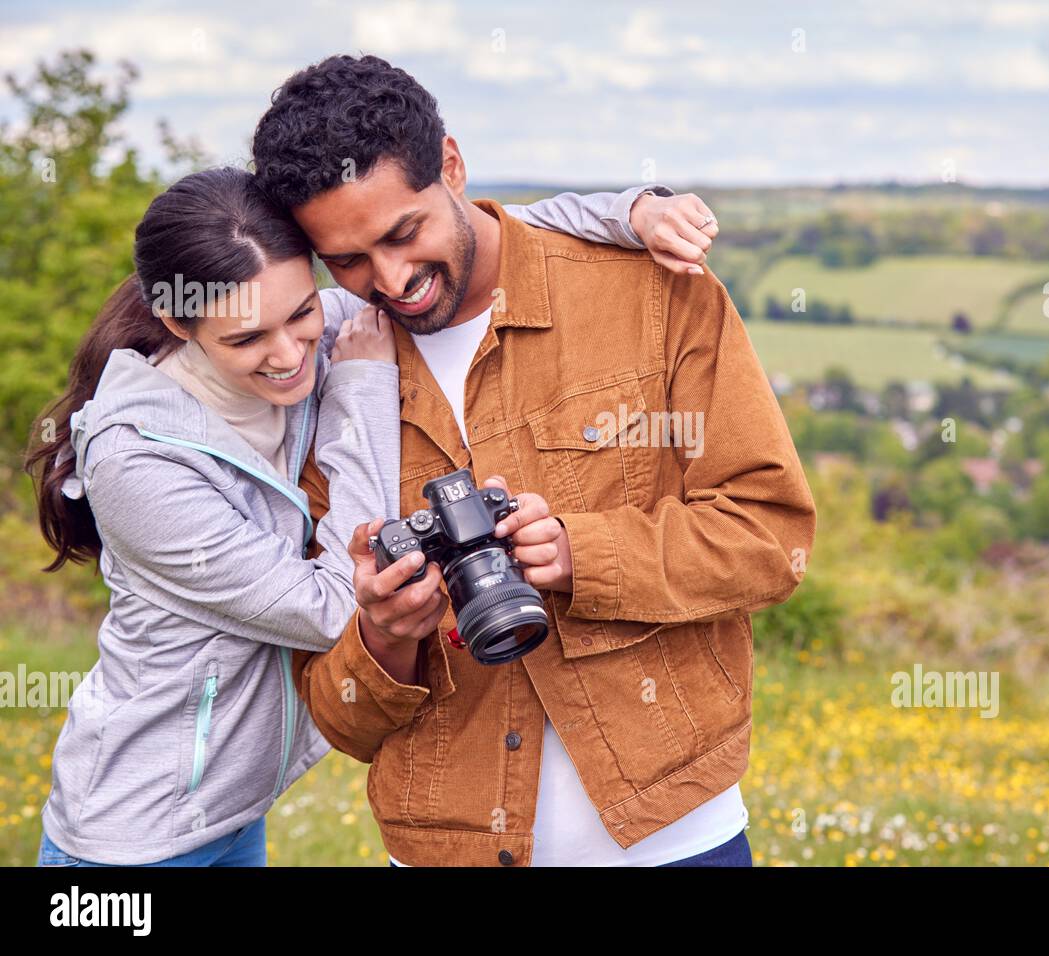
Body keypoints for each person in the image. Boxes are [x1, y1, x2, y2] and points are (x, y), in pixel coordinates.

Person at [26, 160, 715, 866]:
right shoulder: (135, 462)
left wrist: (630, 211)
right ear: (176, 319)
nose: (291, 355)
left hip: (230, 815)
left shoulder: (317, 326)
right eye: (246, 340)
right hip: (129, 835)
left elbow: (473, 245)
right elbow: (335, 604)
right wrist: (359, 389)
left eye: (303, 313)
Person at [251, 54, 817, 867]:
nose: (393, 280)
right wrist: (381, 636)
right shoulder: (323, 373)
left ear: (451, 164)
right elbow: (340, 718)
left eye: (404, 233)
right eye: (346, 262)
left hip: (674, 844)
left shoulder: (654, 294)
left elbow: (771, 539)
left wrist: (583, 554)